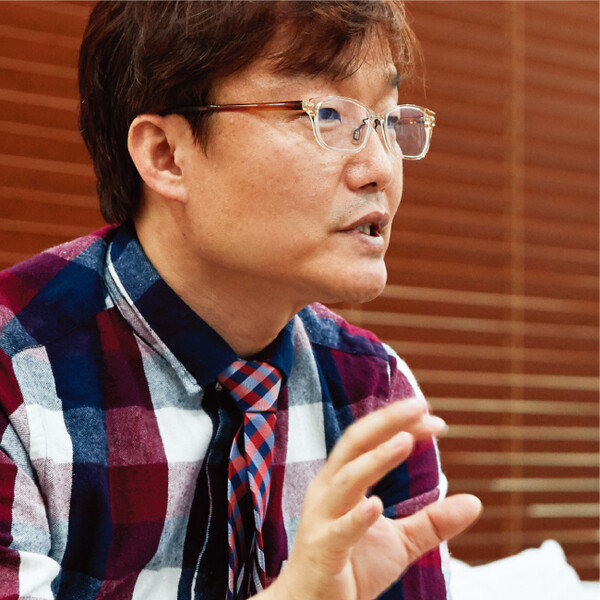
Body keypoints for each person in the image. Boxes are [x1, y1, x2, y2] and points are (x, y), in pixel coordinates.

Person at [0, 2, 482, 599]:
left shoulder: (371, 391)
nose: (380, 168)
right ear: (166, 155)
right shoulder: (16, 376)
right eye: (327, 114)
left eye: (387, 119)